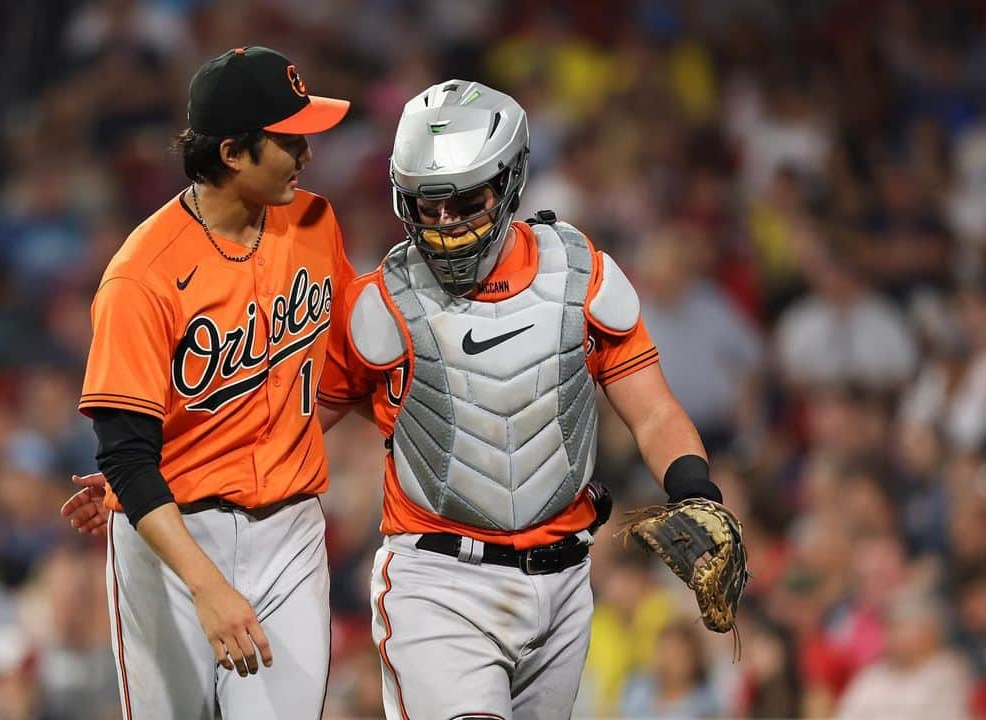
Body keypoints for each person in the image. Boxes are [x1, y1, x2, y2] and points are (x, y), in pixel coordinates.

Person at [66, 80, 726, 720]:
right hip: (438, 579)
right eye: (425, 204)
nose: (442, 224)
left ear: (511, 180)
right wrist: (151, 476)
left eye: (464, 201)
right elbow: (295, 415)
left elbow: (655, 409)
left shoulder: (577, 274)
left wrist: (696, 489)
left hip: (563, 579)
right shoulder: (379, 301)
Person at [71, 46, 353, 720]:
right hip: (176, 550)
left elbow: (340, 376)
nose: (307, 153)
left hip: (290, 531)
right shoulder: (141, 275)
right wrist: (201, 578)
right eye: (289, 140)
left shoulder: (314, 223)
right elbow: (125, 453)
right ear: (232, 152)